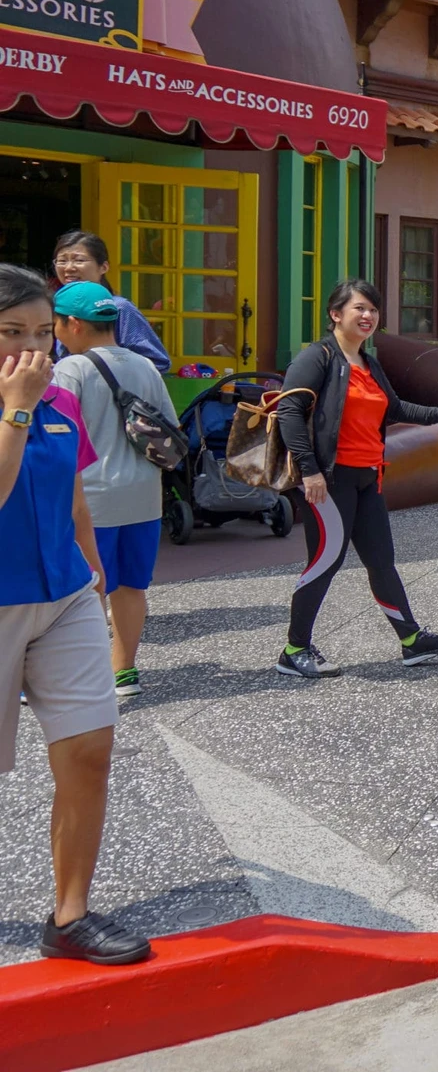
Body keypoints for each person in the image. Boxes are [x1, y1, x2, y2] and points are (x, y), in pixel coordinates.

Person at [0, 264, 150, 964]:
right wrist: (16, 409)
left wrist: (91, 573)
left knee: (90, 750)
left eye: (41, 333)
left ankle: (69, 915)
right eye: (10, 333)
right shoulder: (31, 404)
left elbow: (76, 499)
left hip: (63, 597)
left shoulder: (58, 406)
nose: (32, 350)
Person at [277, 281, 438, 678]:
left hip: (368, 478)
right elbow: (290, 412)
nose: (368, 315)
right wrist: (309, 470)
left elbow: (396, 407)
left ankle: (411, 640)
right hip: (330, 479)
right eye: (359, 308)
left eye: (373, 309)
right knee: (325, 561)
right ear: (335, 314)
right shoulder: (318, 357)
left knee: (381, 562)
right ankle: (294, 649)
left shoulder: (369, 364)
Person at [51, 282, 179, 698]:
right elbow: (169, 426)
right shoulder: (144, 365)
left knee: (84, 591)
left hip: (92, 500)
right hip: (144, 496)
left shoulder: (71, 369)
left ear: (72, 323)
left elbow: (57, 435)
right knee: (131, 587)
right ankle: (124, 671)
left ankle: (78, 677)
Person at [49, 230, 169, 375]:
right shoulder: (57, 307)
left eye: (79, 260)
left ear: (103, 267)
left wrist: (102, 377)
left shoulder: (118, 308)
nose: (68, 268)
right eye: (62, 261)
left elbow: (158, 362)